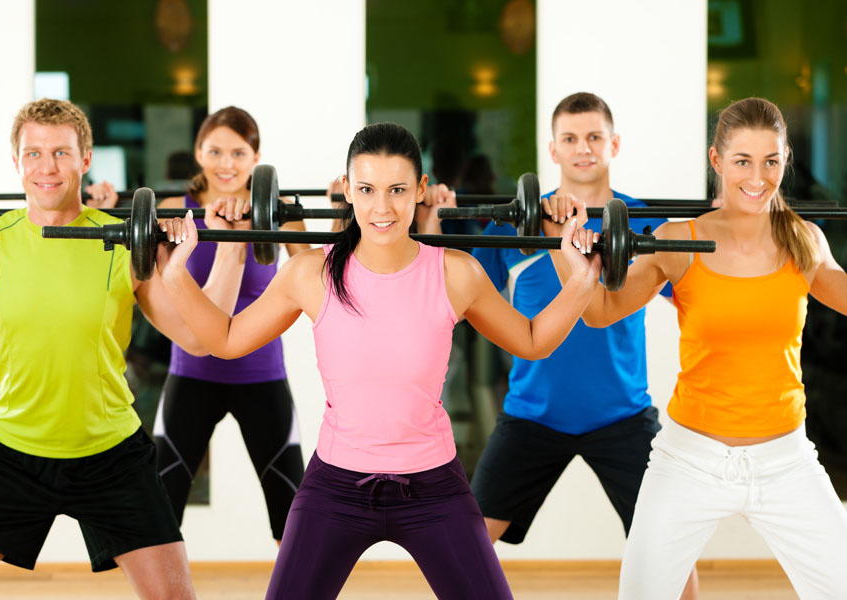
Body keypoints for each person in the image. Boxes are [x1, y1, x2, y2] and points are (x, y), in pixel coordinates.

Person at [156, 121, 601, 599]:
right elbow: (225, 338)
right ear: (348, 190)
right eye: (366, 189)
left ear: (421, 190)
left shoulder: (455, 273)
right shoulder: (313, 273)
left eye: (397, 190)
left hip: (433, 487)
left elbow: (531, 340)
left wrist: (580, 282)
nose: (382, 207)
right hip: (335, 488)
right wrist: (176, 272)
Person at [558, 97, 847, 599]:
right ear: (716, 160)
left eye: (770, 161)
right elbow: (599, 311)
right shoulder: (678, 242)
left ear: (786, 160)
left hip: (785, 460)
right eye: (742, 161)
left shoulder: (805, 242)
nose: (757, 177)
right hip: (690, 460)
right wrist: (577, 267)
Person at [0, 99, 208, 598]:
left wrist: (176, 267)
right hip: (14, 452)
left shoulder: (124, 242)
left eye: (62, 153)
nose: (47, 168)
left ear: (86, 159)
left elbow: (197, 339)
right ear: (17, 161)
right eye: (34, 154)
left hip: (111, 453)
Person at [465, 91, 697, 597]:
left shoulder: (644, 223)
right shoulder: (516, 223)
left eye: (594, 137)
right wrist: (427, 220)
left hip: (622, 415)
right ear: (553, 150)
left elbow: (697, 297)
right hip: (532, 413)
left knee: (670, 549)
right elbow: (459, 290)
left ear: (614, 143)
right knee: (466, 546)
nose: (583, 148)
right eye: (570, 138)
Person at [150, 106, 308, 541]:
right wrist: (103, 209)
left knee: (293, 518)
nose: (226, 163)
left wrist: (342, 212)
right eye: (215, 151)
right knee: (159, 517)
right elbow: (152, 288)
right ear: (199, 152)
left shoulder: (280, 212)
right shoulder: (170, 212)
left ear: (256, 157)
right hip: (192, 375)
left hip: (262, 375)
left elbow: (322, 279)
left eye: (238, 153)